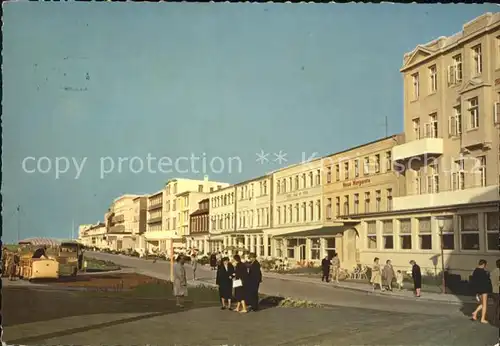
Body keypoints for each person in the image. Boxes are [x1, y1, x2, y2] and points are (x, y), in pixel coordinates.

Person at [470, 259, 492, 324]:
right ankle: (482, 319)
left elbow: (473, 281)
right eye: (485, 265)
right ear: (483, 264)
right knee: (484, 304)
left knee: (482, 303)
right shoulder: (484, 272)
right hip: (484, 290)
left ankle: (475, 313)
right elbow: (487, 281)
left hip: (478, 290)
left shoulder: (475, 271)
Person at [490, 259, 500, 326]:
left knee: (495, 306)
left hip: (494, 290)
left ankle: (493, 319)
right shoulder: (499, 272)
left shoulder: (492, 271)